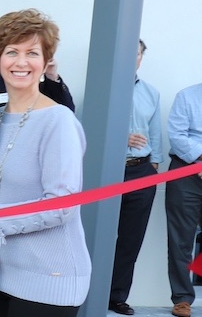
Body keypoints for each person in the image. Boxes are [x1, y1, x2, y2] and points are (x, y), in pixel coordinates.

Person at [0, 9, 89, 316]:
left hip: (49, 280)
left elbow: (61, 206)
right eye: (12, 52)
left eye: (32, 53)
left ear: (46, 62)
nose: (21, 62)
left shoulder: (58, 121)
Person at [107, 40, 161, 315]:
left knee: (131, 238)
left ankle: (116, 296)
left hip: (141, 171)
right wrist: (120, 137)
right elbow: (86, 129)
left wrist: (153, 165)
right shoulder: (102, 89)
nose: (132, 58)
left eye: (136, 53)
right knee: (98, 235)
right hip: (107, 170)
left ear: (141, 58)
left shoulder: (152, 93)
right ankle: (89, 292)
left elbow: (155, 133)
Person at [166, 77, 202, 317]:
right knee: (181, 239)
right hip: (186, 171)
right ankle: (182, 298)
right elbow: (177, 135)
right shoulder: (186, 96)